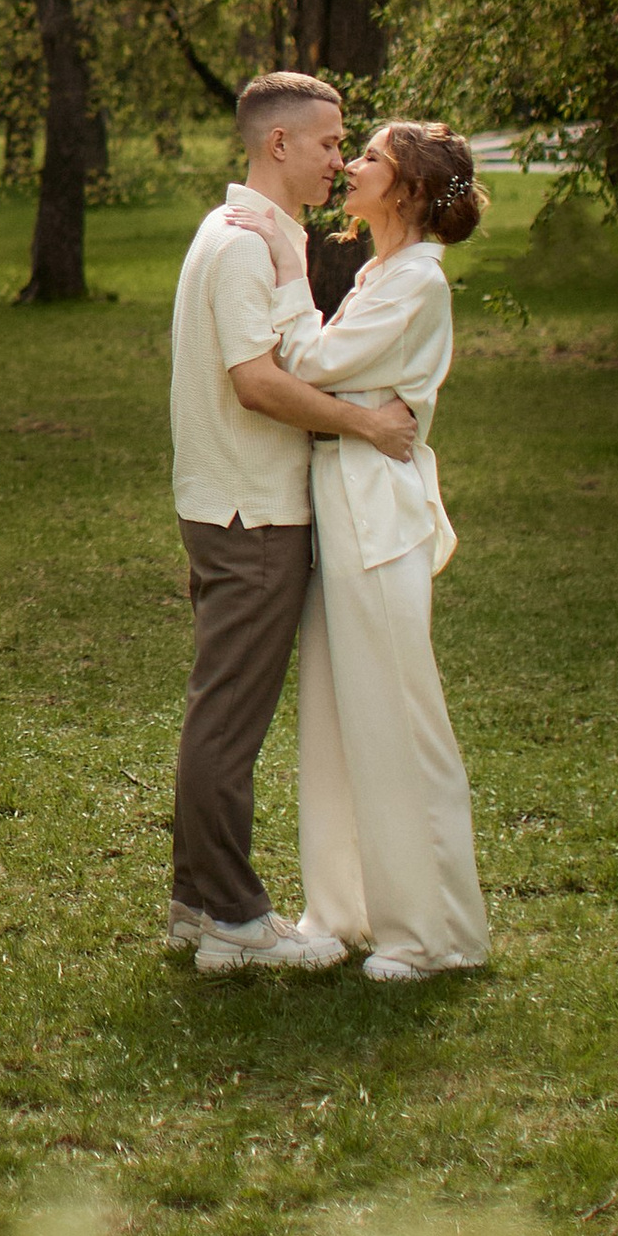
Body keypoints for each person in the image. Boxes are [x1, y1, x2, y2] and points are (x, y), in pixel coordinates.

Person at [227, 120, 492, 984]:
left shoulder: (417, 282)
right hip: (340, 501)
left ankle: (432, 934)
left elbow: (313, 358)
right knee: (340, 716)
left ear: (408, 189)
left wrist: (278, 262)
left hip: (378, 514)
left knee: (396, 719)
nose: (349, 166)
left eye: (370, 157)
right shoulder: (381, 271)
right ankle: (343, 910)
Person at [168, 72, 420, 976]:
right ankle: (235, 919)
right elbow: (258, 383)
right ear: (278, 145)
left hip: (235, 504)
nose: (339, 160)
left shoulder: (256, 234)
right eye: (327, 143)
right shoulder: (240, 246)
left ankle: (198, 906)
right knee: (228, 723)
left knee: (220, 714)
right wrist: (368, 423)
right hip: (251, 513)